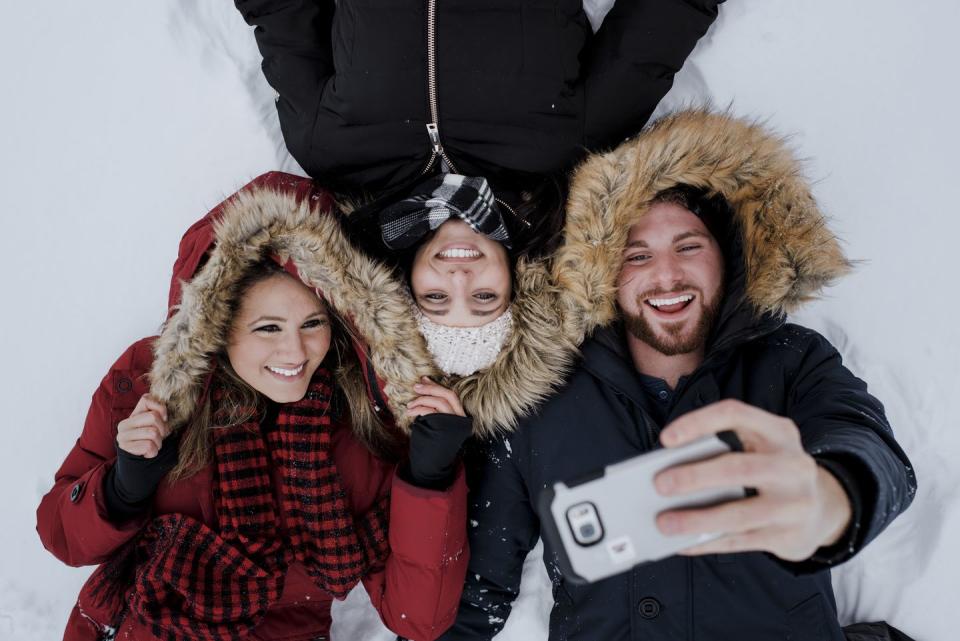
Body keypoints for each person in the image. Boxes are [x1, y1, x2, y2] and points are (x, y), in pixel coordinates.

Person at [438, 109, 917, 640]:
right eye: (636, 255)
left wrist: (830, 498)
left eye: (688, 246)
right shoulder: (542, 394)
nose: (666, 275)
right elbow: (475, 595)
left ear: (727, 257)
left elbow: (871, 449)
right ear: (604, 274)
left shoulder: (791, 360)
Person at [36, 173, 472, 641]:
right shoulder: (150, 379)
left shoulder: (363, 410)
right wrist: (122, 489)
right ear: (217, 325)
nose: (295, 352)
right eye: (268, 328)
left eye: (312, 323)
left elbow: (418, 619)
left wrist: (430, 480)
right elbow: (61, 535)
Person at [233, 0, 726, 200]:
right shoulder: (565, 146)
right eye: (484, 300)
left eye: (438, 300)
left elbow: (283, 16)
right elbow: (659, 25)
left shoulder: (331, 149)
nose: (459, 277)